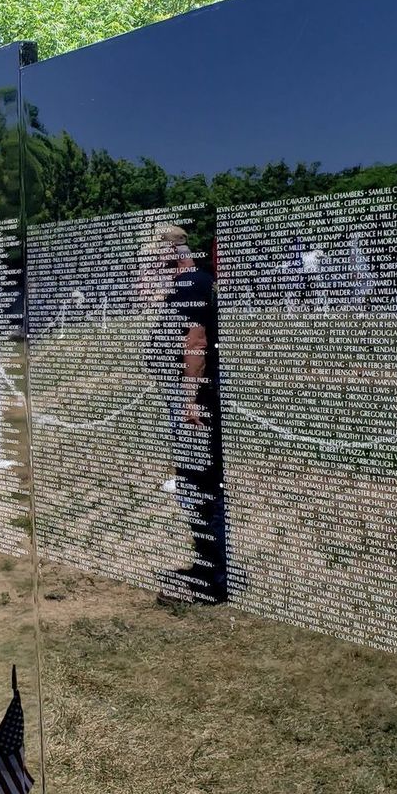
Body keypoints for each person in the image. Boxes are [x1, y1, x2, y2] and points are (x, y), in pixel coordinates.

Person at [147, 225, 228, 604]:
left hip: (192, 400)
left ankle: (212, 582)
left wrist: (190, 399)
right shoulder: (193, 283)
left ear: (171, 253)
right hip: (187, 397)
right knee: (194, 484)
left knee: (200, 485)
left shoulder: (191, 283)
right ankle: (205, 567)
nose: (151, 263)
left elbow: (196, 341)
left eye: (155, 256)